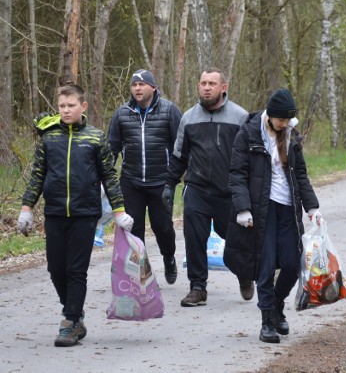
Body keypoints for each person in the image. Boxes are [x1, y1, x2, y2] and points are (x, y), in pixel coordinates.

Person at [17, 84, 134, 347]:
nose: (66, 110)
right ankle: (75, 311)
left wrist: (119, 212)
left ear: (83, 107)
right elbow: (38, 175)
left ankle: (70, 322)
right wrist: (26, 209)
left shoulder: (95, 138)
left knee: (75, 269)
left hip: (85, 213)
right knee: (56, 268)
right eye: (62, 106)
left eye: (71, 106)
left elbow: (109, 177)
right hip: (55, 211)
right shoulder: (49, 138)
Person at [224, 89, 321, 344]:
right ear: (270, 116)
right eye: (282, 120)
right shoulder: (248, 134)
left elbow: (301, 176)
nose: (285, 124)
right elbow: (237, 173)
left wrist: (312, 208)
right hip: (261, 209)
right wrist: (243, 208)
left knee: (291, 263)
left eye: (289, 120)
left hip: (288, 209)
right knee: (265, 266)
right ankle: (267, 321)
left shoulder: (291, 137)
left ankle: (277, 305)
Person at [162, 68, 253, 307]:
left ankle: (244, 274)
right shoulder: (189, 118)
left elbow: (249, 158)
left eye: (212, 83)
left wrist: (247, 192)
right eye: (203, 83)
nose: (207, 87)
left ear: (224, 87)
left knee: (234, 240)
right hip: (198, 189)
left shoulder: (240, 117)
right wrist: (169, 185)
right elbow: (179, 156)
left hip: (229, 192)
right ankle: (198, 287)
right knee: (194, 239)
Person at [108, 69, 182, 284]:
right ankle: (141, 271)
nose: (138, 88)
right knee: (134, 229)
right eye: (134, 85)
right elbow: (111, 149)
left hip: (161, 181)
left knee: (163, 228)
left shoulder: (169, 111)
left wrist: (175, 178)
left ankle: (169, 258)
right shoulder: (122, 113)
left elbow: (180, 147)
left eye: (142, 84)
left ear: (153, 88)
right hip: (131, 182)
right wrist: (104, 179)